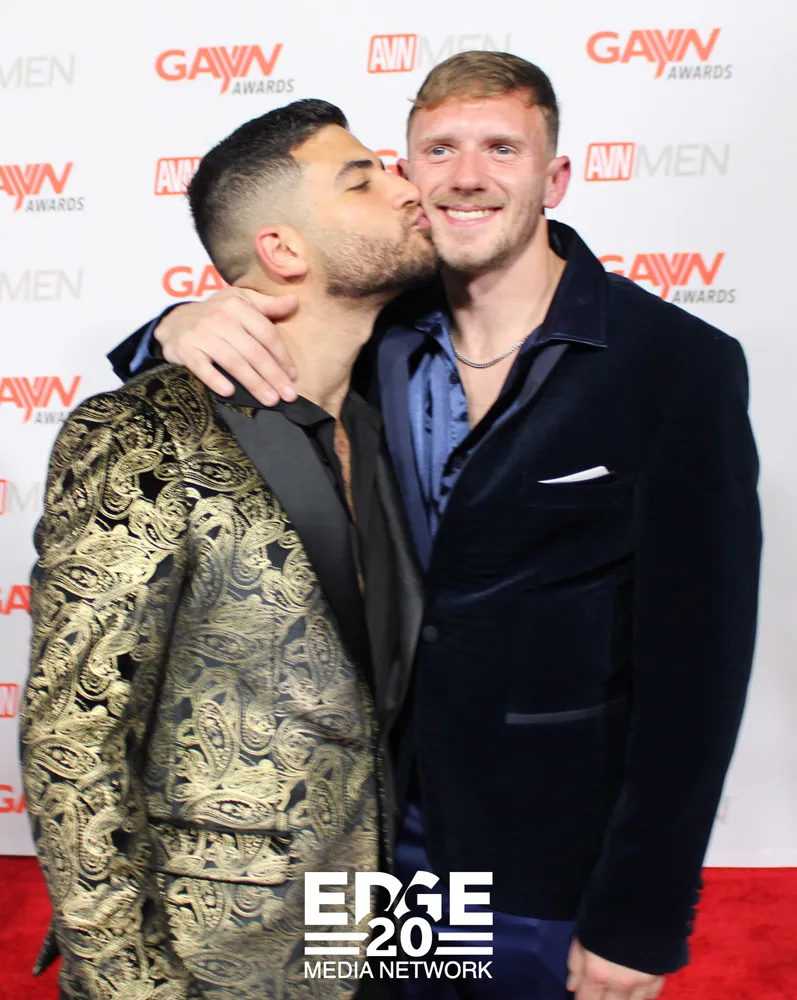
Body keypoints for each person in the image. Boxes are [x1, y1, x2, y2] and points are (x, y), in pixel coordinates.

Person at [108, 52, 762, 1000]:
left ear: (554, 176)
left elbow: (698, 669)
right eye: (439, 150)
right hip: (369, 840)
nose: (466, 176)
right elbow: (189, 383)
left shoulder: (673, 364)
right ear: (410, 175)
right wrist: (171, 326)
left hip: (546, 853)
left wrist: (641, 915)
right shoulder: (371, 328)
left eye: (501, 148)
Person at [20, 98, 439, 1000]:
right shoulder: (143, 434)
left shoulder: (402, 417)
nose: (408, 188)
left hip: (384, 931)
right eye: (363, 180)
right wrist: (129, 984)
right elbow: (73, 740)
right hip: (212, 947)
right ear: (282, 250)